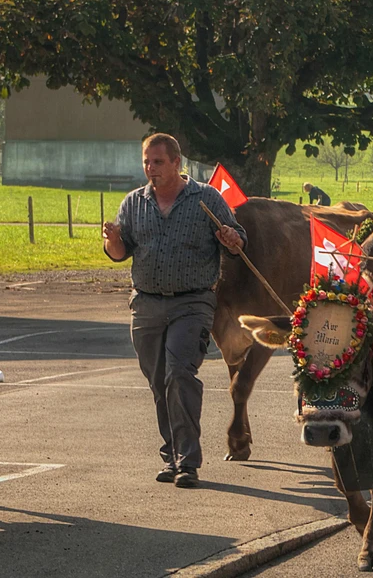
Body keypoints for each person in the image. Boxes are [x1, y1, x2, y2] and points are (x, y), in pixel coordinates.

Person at [103, 134, 248, 489]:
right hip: (147, 304)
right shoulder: (134, 203)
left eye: (158, 162)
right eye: (147, 162)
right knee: (158, 381)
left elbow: (238, 240)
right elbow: (120, 253)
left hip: (192, 303)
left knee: (179, 374)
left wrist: (231, 237)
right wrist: (113, 241)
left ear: (176, 164)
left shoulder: (205, 199)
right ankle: (171, 456)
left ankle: (188, 462)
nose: (151, 169)